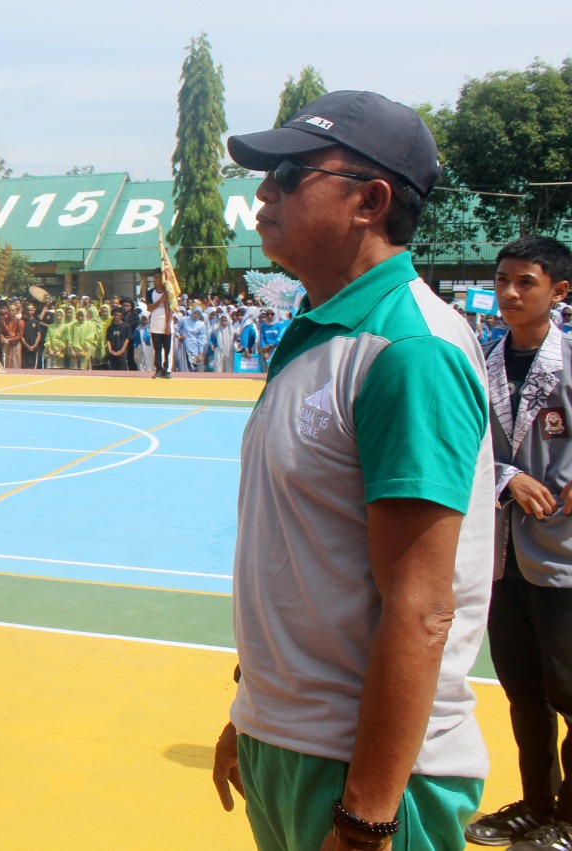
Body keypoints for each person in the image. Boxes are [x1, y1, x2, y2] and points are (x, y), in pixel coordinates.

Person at [210, 91, 494, 851]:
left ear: (371, 200)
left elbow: (422, 605)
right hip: (293, 741)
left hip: (370, 774)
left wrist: (367, 818)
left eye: (291, 173)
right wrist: (253, 711)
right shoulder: (316, 334)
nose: (263, 192)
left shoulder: (409, 349)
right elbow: (300, 559)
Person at [464, 236, 572, 850]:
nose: (508, 292)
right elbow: (471, 449)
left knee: (571, 693)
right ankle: (535, 805)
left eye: (525, 282)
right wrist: (508, 477)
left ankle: (570, 816)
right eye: (502, 279)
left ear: (558, 291)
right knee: (524, 693)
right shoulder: (482, 361)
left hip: (564, 560)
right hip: (502, 559)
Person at [147, 272, 172, 377]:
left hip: (166, 324)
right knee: (157, 348)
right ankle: (158, 368)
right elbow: (150, 308)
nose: (158, 279)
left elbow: (172, 309)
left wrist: (168, 324)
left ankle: (167, 369)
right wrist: (160, 300)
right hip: (155, 324)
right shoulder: (150, 293)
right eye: (156, 277)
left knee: (167, 348)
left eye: (160, 277)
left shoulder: (169, 292)